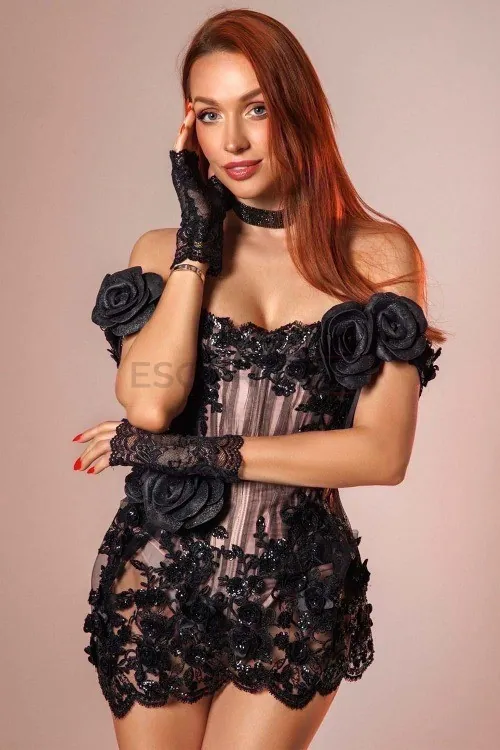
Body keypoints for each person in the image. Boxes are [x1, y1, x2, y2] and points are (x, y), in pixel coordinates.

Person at [75, 8, 445, 749]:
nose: (234, 142)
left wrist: (194, 455)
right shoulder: (161, 250)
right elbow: (149, 404)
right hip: (157, 577)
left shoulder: (377, 256)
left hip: (295, 584)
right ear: (191, 129)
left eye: (256, 109)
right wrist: (194, 243)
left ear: (297, 109)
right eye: (210, 114)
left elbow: (381, 454)